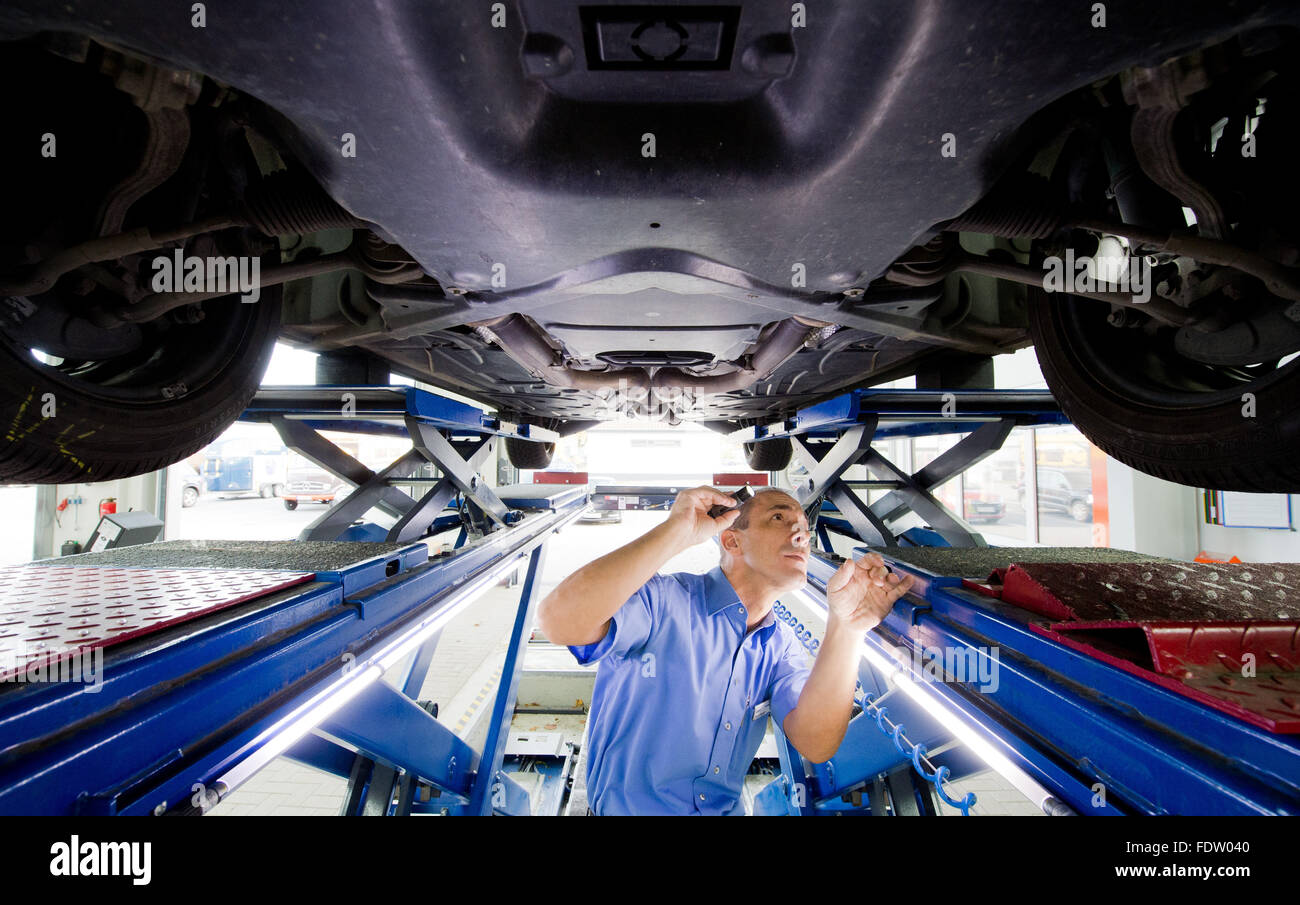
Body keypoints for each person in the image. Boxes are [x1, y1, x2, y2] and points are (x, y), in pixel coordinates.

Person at [537, 484, 916, 815]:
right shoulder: (665, 603)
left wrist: (847, 627)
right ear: (732, 540)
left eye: (804, 528)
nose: (801, 534)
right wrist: (677, 531)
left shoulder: (780, 647)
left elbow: (816, 741)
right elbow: (558, 620)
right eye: (779, 519)